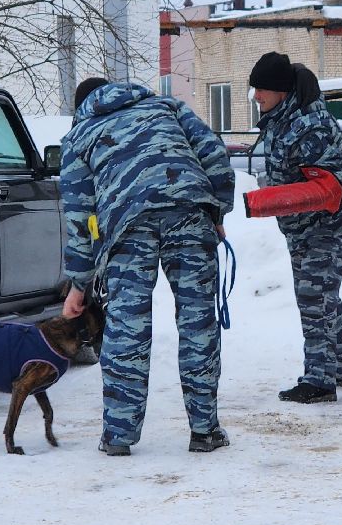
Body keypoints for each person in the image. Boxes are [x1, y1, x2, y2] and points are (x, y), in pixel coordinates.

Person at [59, 77, 235, 455]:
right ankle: (205, 431)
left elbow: (79, 217)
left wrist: (78, 284)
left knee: (127, 327)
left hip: (127, 226)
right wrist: (217, 209)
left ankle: (119, 436)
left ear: (80, 106)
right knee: (197, 322)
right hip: (189, 213)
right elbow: (214, 152)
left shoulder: (79, 136)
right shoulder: (166, 106)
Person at [249, 52, 342, 404]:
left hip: (326, 224)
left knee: (315, 297)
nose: (256, 95)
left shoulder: (307, 125)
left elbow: (325, 187)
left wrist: (267, 200)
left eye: (262, 89)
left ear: (281, 90)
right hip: (303, 225)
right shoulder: (282, 117)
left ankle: (319, 380)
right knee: (323, 294)